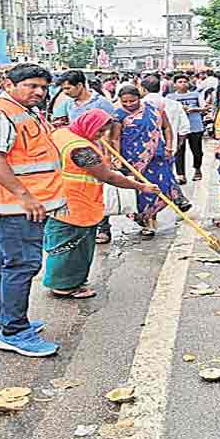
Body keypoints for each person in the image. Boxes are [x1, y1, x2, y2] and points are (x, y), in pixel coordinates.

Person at [0, 64, 67, 357]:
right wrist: (25, 196)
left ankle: (0, 322)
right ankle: (14, 332)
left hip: (17, 205)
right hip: (13, 207)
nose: (39, 92)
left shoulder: (24, 111)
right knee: (22, 265)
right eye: (31, 85)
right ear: (8, 84)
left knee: (7, 264)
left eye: (43, 87)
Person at [43, 109, 158, 299]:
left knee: (61, 243)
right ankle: (66, 285)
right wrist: (140, 186)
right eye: (99, 131)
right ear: (87, 126)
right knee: (74, 247)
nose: (101, 135)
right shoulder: (81, 149)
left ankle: (61, 281)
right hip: (77, 203)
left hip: (57, 198)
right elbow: (108, 176)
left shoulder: (62, 134)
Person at [111, 84, 187, 238]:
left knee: (157, 187)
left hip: (157, 157)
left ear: (139, 98)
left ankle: (153, 217)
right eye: (125, 102)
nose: (128, 104)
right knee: (140, 191)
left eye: (132, 101)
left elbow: (166, 128)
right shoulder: (118, 115)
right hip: (133, 160)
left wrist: (169, 146)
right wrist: (117, 158)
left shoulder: (154, 109)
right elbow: (115, 138)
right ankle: (146, 221)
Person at [53, 70, 117, 242]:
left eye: (68, 88)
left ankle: (103, 227)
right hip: (75, 153)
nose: (65, 92)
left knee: (100, 188)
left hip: (96, 153)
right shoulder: (68, 103)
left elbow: (113, 128)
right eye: (63, 89)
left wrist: (110, 154)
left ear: (80, 85)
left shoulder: (101, 103)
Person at [141, 75, 191, 184]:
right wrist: (176, 145)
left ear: (143, 89)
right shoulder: (174, 104)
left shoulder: (139, 105)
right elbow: (184, 129)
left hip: (143, 150)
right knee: (166, 176)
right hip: (168, 149)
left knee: (146, 180)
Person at [168, 73, 206, 182]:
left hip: (195, 126)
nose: (183, 84)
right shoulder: (170, 97)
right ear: (175, 84)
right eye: (180, 82)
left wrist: (193, 109)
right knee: (179, 151)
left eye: (185, 82)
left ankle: (197, 169)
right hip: (178, 127)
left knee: (197, 151)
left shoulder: (196, 95)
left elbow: (204, 108)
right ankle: (181, 174)